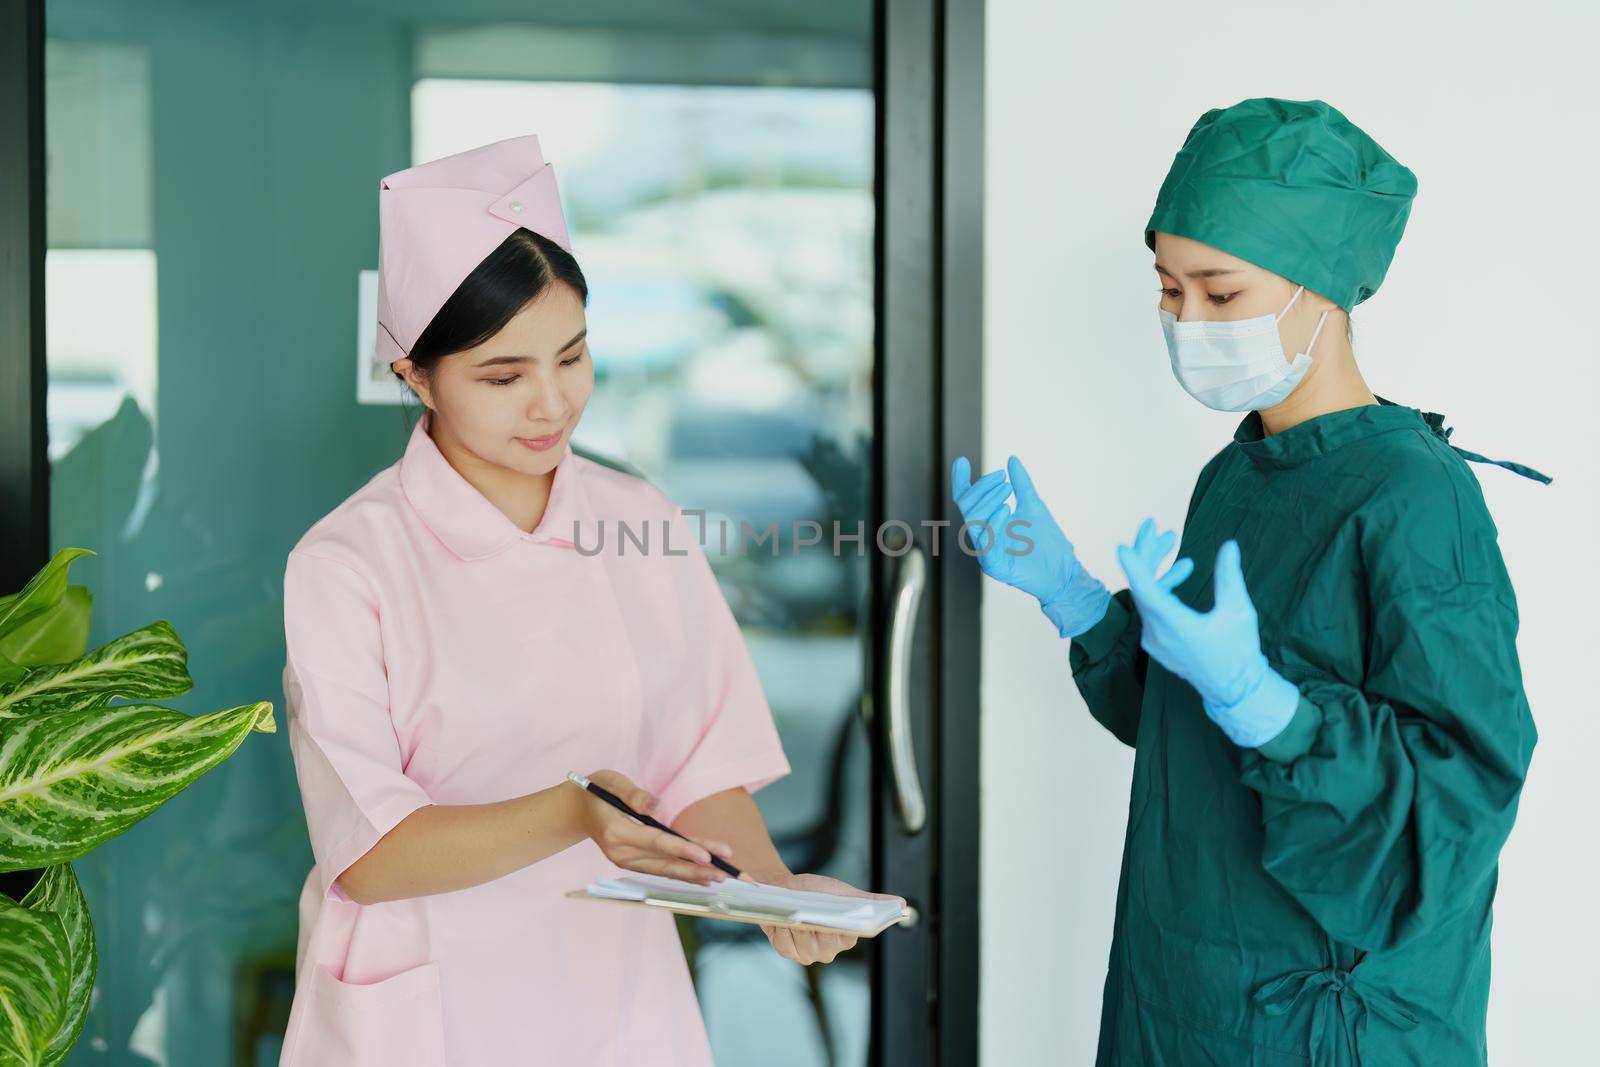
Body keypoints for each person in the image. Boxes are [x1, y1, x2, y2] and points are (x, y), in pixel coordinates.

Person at [952, 98, 1545, 1066]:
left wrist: (1269, 704)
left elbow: (1461, 794)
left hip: (1323, 1015)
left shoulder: (1414, 496)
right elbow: (1181, 733)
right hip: (1182, 979)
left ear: (1321, 287)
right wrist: (1073, 598)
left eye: (1218, 294)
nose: (1184, 319)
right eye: (1167, 288)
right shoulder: (1235, 474)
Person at [278, 135, 894, 1066]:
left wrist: (769, 891)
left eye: (571, 356)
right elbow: (369, 850)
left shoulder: (638, 520)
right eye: (502, 374)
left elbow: (697, 764)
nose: (551, 403)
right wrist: (576, 809)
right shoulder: (345, 562)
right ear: (415, 375)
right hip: (430, 1000)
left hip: (612, 989)